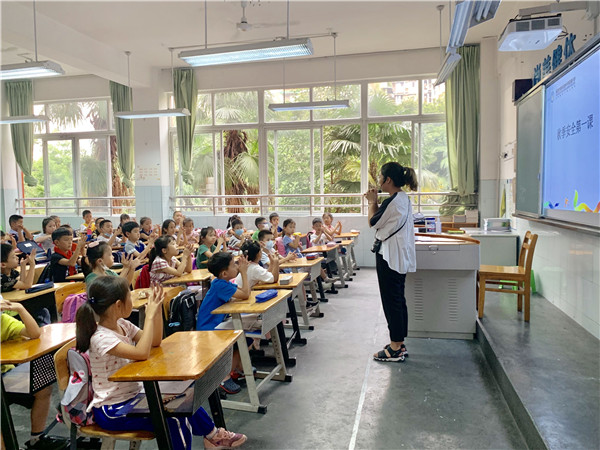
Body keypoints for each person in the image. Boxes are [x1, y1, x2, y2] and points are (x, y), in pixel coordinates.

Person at [76, 276, 247, 450]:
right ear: (118, 305)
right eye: (130, 296)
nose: (133, 300)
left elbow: (155, 341)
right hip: (112, 409)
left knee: (183, 401)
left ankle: (213, 436)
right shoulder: (101, 337)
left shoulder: (122, 324)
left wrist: (156, 311)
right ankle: (212, 436)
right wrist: (148, 317)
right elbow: (142, 353)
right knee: (174, 420)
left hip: (132, 396)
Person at [365, 162, 417, 362]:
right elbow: (384, 219)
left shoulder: (392, 202)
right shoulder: (403, 198)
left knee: (391, 301)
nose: (378, 180)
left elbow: (373, 222)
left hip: (389, 257)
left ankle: (395, 348)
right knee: (398, 299)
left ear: (388, 180)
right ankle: (399, 343)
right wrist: (377, 202)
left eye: (380, 176)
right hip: (399, 255)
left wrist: (372, 202)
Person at [1, 299, 69, 450]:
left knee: (42, 388)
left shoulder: (3, 321)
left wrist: (20, 309)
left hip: (5, 375)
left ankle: (36, 439)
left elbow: (34, 333)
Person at [196, 252, 250, 394]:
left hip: (216, 324)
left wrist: (242, 272)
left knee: (245, 335)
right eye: (234, 265)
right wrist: (244, 273)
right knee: (240, 337)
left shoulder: (221, 282)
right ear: (225, 273)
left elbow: (240, 292)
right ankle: (223, 378)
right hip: (209, 329)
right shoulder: (220, 285)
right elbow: (245, 294)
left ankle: (238, 368)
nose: (237, 267)